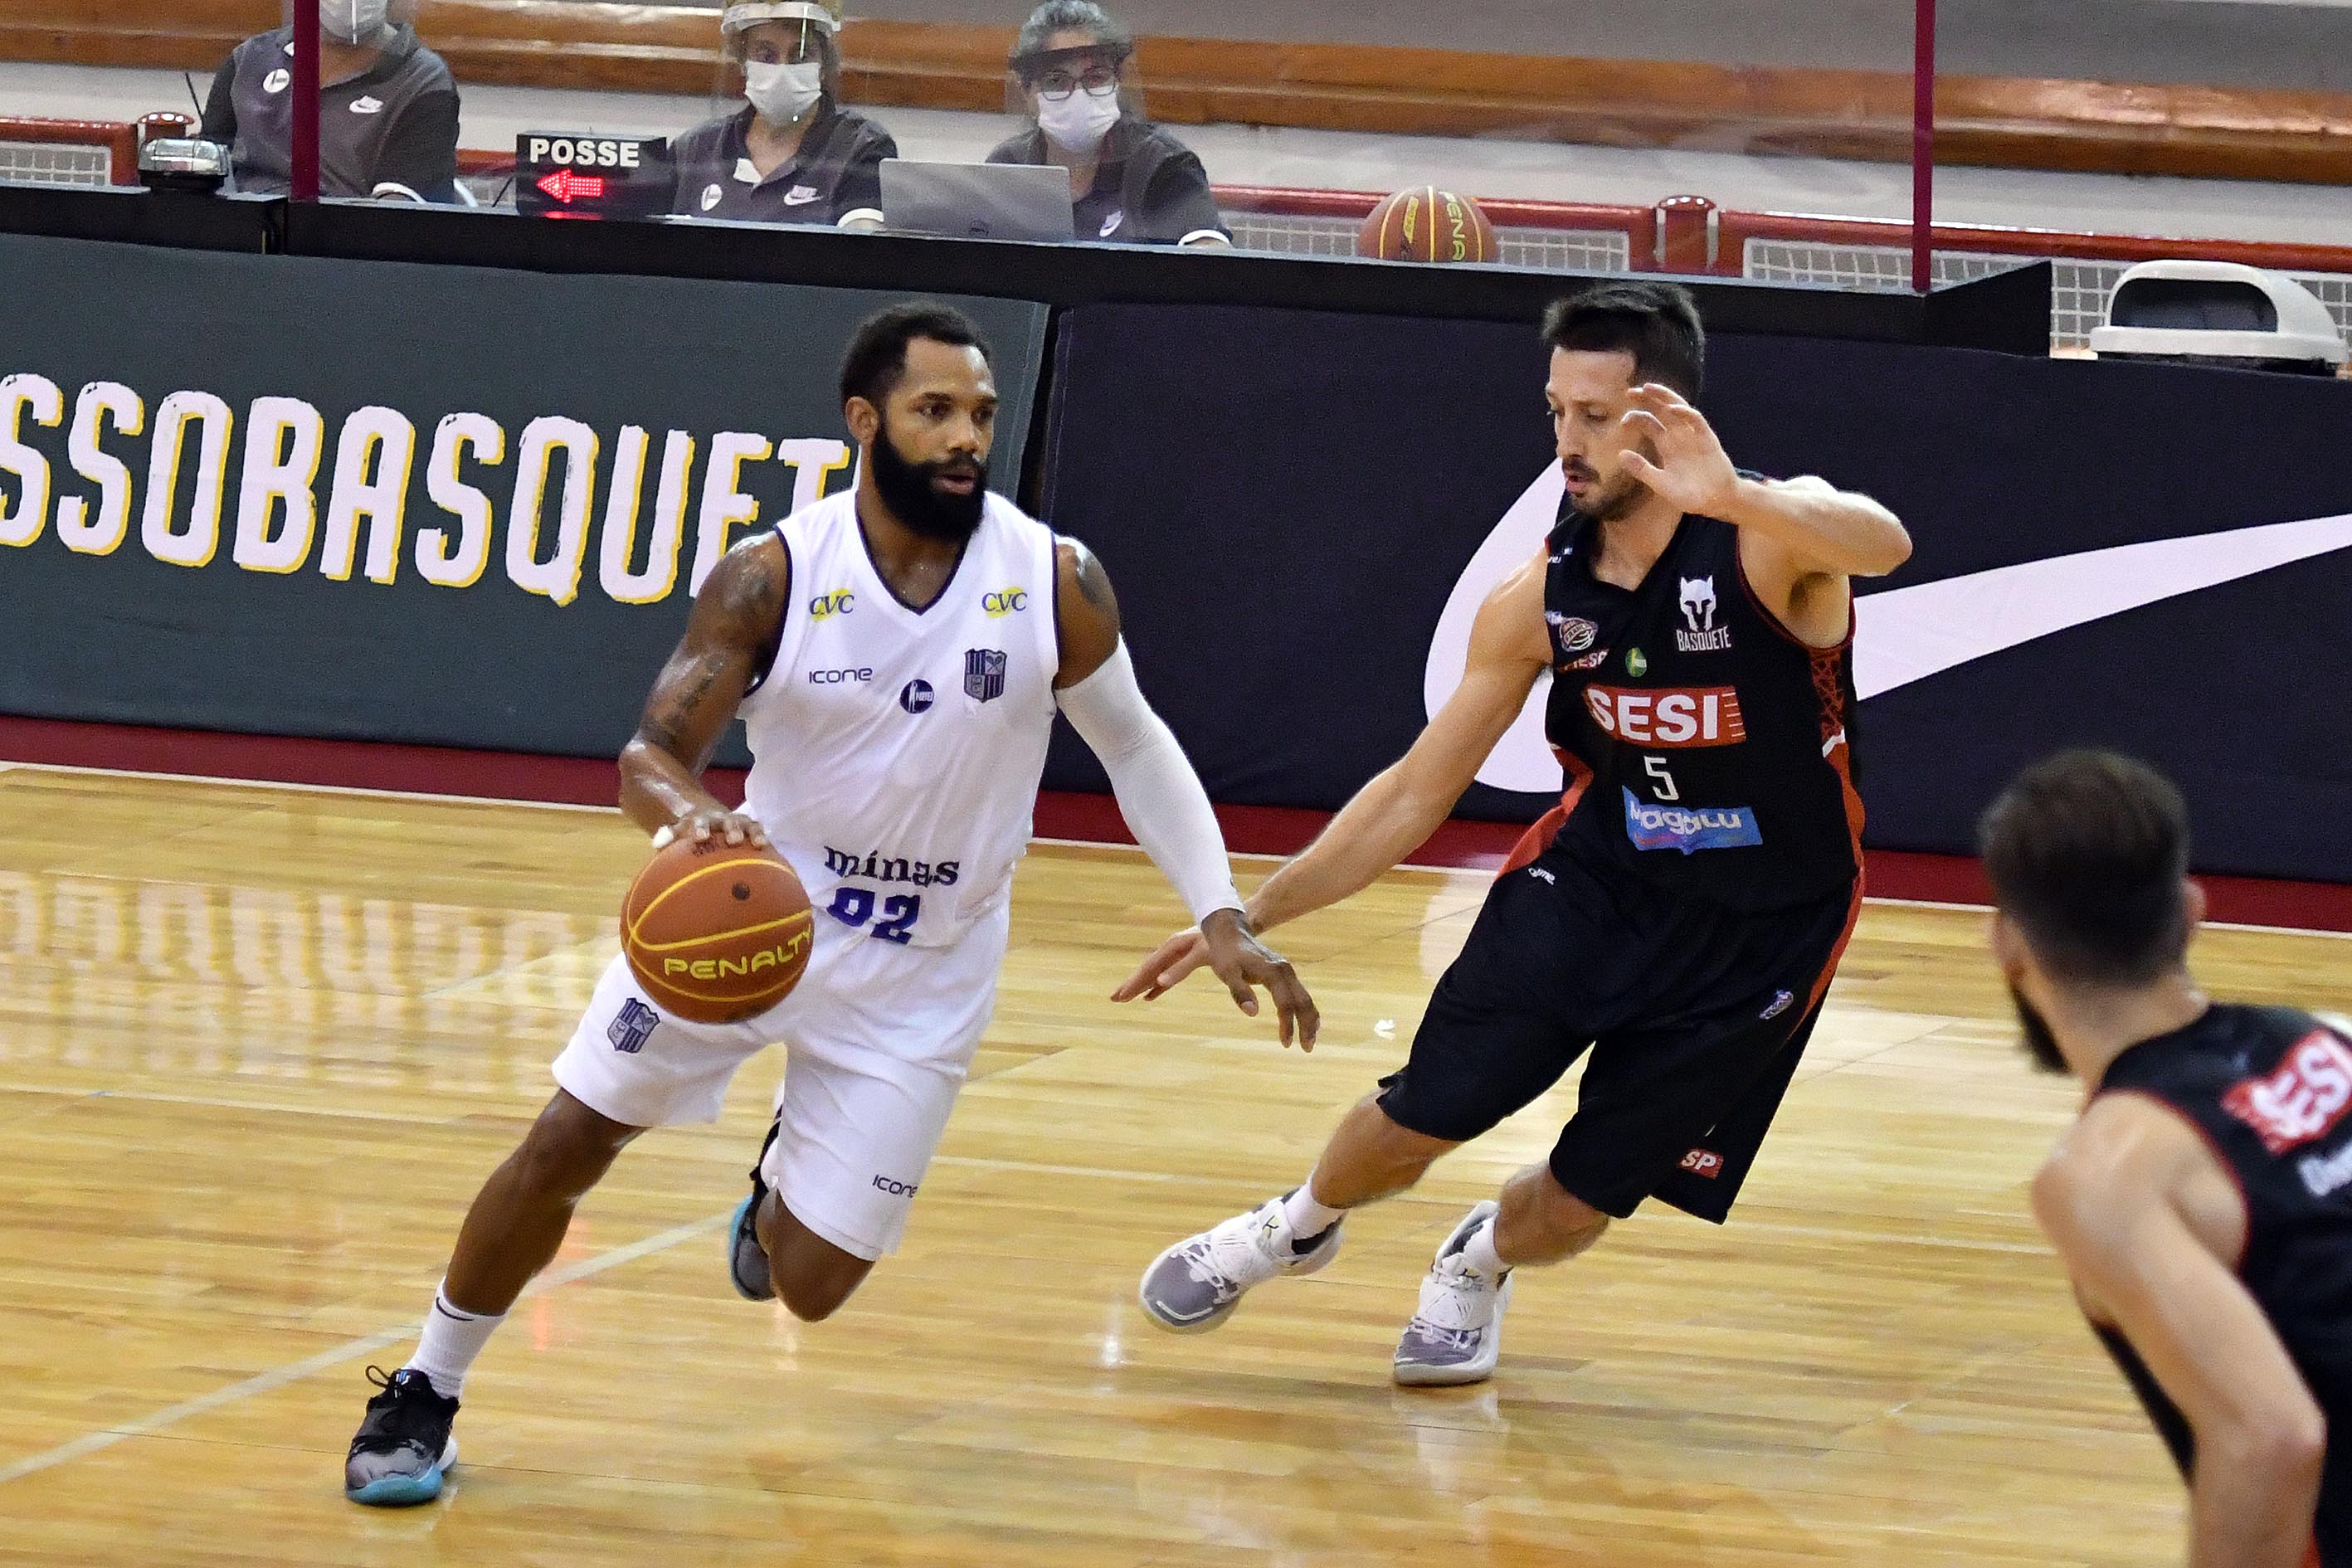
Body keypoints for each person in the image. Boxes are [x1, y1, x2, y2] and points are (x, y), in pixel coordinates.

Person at [341, 302, 1317, 1505]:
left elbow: (1136, 746)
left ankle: (775, 1191)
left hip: (926, 967)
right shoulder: (771, 576)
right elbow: (648, 752)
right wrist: (684, 815)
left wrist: (1217, 907)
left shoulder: (1052, 577)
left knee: (808, 1284)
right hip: (750, 917)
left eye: (980, 414)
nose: (966, 438)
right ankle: (424, 1390)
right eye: (934, 411)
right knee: (567, 1136)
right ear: (865, 421)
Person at [1126, 280, 1911, 1385]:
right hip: (1592, 888)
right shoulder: (1540, 595)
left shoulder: (1767, 545)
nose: (1565, 443)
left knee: (1577, 1207)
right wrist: (1242, 913)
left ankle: (1476, 1259)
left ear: (1661, 415)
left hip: (1763, 932)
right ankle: (1293, 1224)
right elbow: (1411, 793)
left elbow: (1882, 540)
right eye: (1554, 412)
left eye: (1593, 417)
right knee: (1419, 1115)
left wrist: (1734, 493)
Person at [1984, 749, 2352, 1567]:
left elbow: (2271, 1437)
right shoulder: (2322, 1041)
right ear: (2190, 911)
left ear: (2007, 943)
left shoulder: (2110, 1172)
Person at [986, 1, 1228, 248]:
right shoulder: (1009, 166)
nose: (1079, 93)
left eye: (1096, 77)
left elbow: (1211, 260)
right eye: (1057, 80)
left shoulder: (1160, 164)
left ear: (1117, 82)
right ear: (1026, 92)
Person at [200, 0, 461, 202]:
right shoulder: (249, 60)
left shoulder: (424, 83)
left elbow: (397, 222)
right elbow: (204, 173)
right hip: (242, 244)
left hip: (345, 257)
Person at [671, 1, 898, 228]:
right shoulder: (695, 149)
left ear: (823, 64)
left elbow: (864, 249)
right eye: (766, 55)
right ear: (743, 61)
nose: (782, 71)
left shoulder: (860, 147)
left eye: (800, 56)